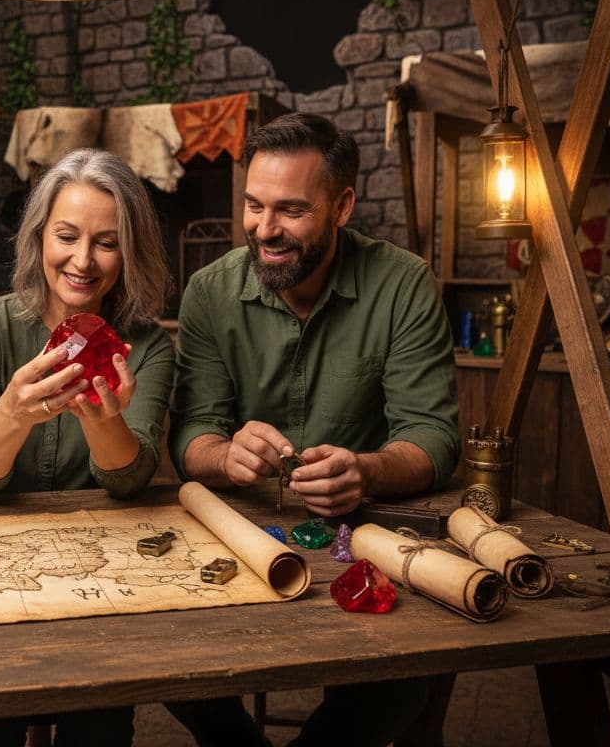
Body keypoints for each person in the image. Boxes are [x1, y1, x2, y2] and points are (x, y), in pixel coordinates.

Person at [170, 112, 460, 746]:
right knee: (165, 657)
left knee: (409, 672)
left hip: (368, 537)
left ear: (343, 206)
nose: (264, 230)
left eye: (291, 211)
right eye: (254, 205)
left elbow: (434, 437)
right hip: (242, 535)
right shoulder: (208, 292)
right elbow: (191, 434)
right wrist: (224, 456)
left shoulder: (403, 283)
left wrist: (367, 469)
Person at [0, 148, 176, 746]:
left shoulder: (147, 345)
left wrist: (103, 421)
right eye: (66, 236)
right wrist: (13, 410)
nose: (82, 261)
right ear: (38, 237)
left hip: (100, 583)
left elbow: (130, 481)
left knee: (97, 727)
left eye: (107, 242)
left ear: (131, 250)